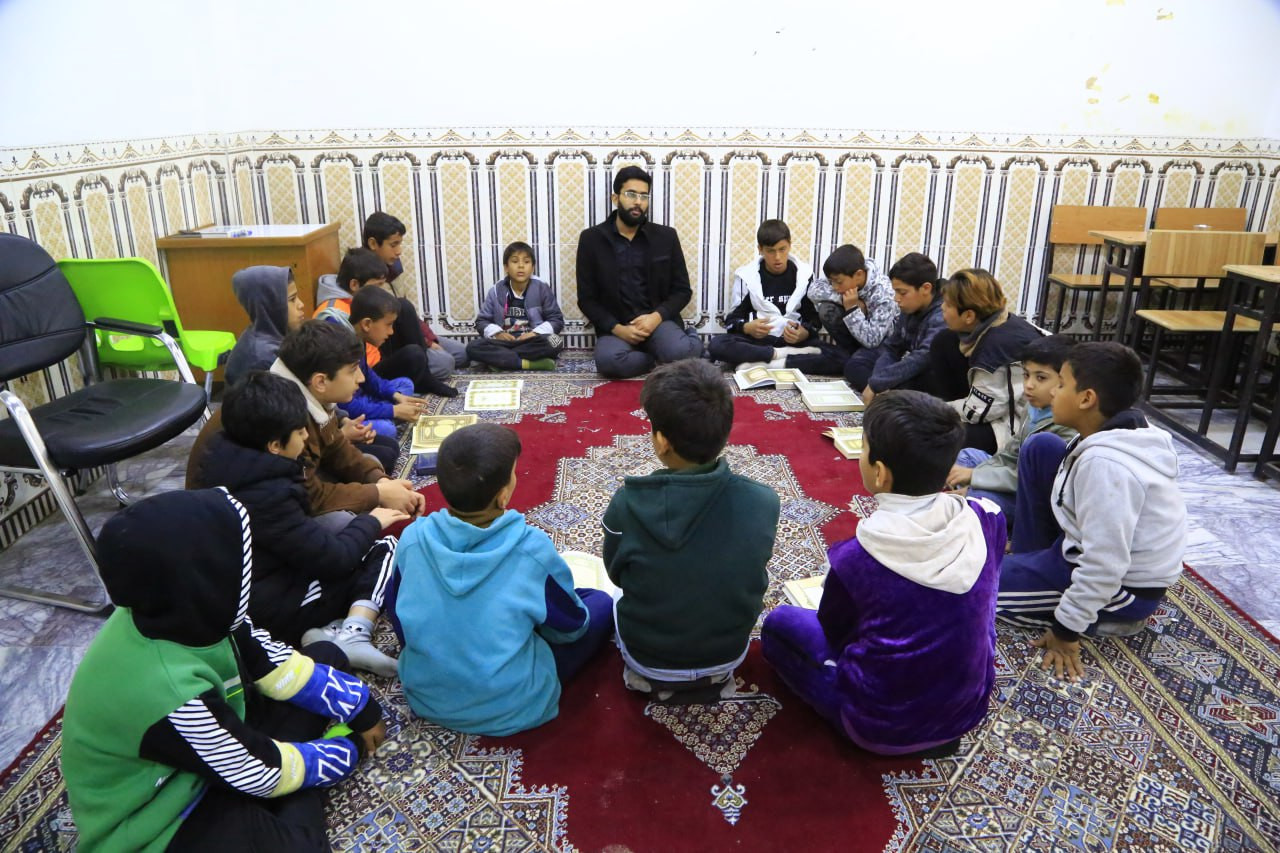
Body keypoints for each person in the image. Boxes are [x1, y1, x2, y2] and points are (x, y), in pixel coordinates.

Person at [61, 488, 387, 852]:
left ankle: (276, 784)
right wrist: (349, 748)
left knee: (327, 656)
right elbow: (260, 772)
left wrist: (361, 707)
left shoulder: (187, 609)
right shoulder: (165, 690)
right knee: (301, 844)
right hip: (164, 813)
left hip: (210, 745)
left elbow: (273, 664)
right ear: (204, 577)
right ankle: (284, 792)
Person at [762, 390, 1003, 756]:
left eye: (863, 448)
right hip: (966, 711)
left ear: (880, 472)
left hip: (879, 725)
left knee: (780, 623)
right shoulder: (988, 518)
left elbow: (838, 635)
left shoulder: (857, 559)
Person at [388, 423, 614, 735]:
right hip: (512, 703)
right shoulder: (531, 548)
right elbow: (572, 629)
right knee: (599, 604)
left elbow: (398, 617)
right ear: (503, 496)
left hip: (428, 696)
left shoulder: (412, 539)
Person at [194, 370, 408, 675]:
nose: (306, 436)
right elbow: (334, 559)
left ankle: (332, 630)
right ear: (274, 445)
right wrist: (373, 521)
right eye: (299, 432)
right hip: (273, 608)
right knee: (386, 548)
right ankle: (354, 634)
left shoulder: (226, 459)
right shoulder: (268, 493)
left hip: (255, 588)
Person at [997, 342, 1187, 681]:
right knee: (1041, 447)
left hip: (1124, 590)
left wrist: (1066, 630)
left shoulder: (1106, 465)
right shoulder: (1112, 430)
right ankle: (1032, 563)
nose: (1052, 392)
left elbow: (1105, 562)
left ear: (1086, 399)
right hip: (1075, 549)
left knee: (975, 588)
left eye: (1061, 384)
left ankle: (1102, 617)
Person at [604, 359, 780, 702]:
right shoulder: (764, 500)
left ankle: (644, 678)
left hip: (648, 658)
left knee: (608, 597)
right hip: (728, 655)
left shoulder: (626, 503)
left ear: (661, 441)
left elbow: (616, 574)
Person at [187, 320, 426, 520]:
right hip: (236, 520)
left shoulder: (307, 390)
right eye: (353, 369)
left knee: (370, 465)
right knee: (340, 522)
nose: (361, 378)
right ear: (320, 381)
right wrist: (378, 494)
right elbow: (309, 496)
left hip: (289, 486)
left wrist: (380, 481)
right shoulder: (283, 411)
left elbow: (336, 447)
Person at [576, 165, 703, 378]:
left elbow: (682, 291)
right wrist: (618, 329)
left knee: (680, 352)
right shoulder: (591, 239)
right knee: (608, 363)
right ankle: (656, 359)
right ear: (615, 198)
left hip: (658, 322)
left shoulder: (666, 237)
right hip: (617, 327)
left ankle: (682, 342)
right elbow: (586, 299)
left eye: (644, 196)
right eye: (631, 194)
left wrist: (655, 318)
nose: (638, 202)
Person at [946, 334, 1077, 522]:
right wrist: (974, 476)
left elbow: (1032, 480)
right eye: (1026, 375)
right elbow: (1010, 454)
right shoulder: (1033, 407)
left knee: (978, 499)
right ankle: (959, 498)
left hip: (1032, 499)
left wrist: (975, 477)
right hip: (1013, 479)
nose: (1028, 385)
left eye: (1041, 378)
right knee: (967, 456)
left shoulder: (1068, 423)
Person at [316, 246, 455, 398]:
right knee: (419, 358)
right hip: (366, 370)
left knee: (404, 307)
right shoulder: (334, 317)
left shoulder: (361, 300)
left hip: (375, 354)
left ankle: (424, 375)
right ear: (354, 285)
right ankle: (418, 378)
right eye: (377, 286)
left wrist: (428, 340)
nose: (381, 292)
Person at [931, 268, 1044, 454]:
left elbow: (980, 411)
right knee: (944, 341)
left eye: (948, 304)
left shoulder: (995, 347)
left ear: (969, 316)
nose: (942, 307)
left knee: (938, 437)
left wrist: (937, 409)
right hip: (994, 406)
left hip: (1016, 425)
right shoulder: (997, 322)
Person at [707, 219, 830, 370]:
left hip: (793, 342)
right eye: (771, 251)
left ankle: (767, 362)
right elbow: (732, 321)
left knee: (838, 357)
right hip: (757, 342)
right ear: (760, 249)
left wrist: (804, 333)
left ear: (790, 245)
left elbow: (814, 319)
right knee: (717, 345)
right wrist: (747, 328)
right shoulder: (747, 277)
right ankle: (778, 355)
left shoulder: (804, 275)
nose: (777, 257)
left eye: (782, 249)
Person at [362, 211, 469, 381]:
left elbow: (408, 314)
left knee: (462, 353)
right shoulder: (365, 276)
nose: (399, 251)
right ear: (373, 243)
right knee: (446, 363)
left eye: (400, 244)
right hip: (393, 345)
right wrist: (427, 344)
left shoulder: (393, 267)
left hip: (412, 337)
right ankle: (414, 372)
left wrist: (429, 339)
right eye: (393, 245)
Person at [843, 252, 947, 403]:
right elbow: (892, 348)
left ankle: (889, 396)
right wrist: (878, 381)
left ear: (925, 288)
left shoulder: (943, 313)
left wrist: (878, 383)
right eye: (895, 291)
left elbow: (923, 357)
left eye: (902, 292)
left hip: (932, 374)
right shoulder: (909, 307)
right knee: (855, 365)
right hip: (909, 362)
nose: (896, 298)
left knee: (908, 383)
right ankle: (886, 395)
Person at [344, 286, 430, 438]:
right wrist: (393, 410)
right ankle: (388, 415)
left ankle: (386, 412)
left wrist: (395, 396)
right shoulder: (341, 347)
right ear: (366, 324)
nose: (391, 332)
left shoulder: (358, 338)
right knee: (387, 429)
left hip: (364, 398)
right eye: (388, 325)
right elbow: (346, 406)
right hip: (350, 409)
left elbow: (368, 376)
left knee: (405, 384)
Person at [467, 241, 565, 371]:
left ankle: (501, 361)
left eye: (526, 262)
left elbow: (556, 320)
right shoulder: (496, 290)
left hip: (531, 341)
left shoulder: (541, 288)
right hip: (504, 342)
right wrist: (498, 333)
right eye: (514, 261)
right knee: (472, 347)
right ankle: (527, 363)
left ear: (533, 267)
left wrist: (534, 334)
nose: (521, 266)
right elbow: (481, 321)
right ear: (506, 267)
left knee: (555, 341)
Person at [805, 244, 899, 375]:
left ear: (858, 274)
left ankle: (852, 359)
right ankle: (848, 353)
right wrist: (845, 300)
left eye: (839, 282)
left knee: (855, 369)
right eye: (831, 282)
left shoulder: (884, 293)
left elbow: (872, 340)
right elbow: (812, 291)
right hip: (856, 337)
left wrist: (852, 309)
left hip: (882, 342)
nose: (834, 286)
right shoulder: (843, 271)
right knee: (827, 309)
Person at [223, 265, 306, 387]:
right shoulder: (264, 359)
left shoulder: (273, 334)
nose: (301, 304)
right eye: (292, 299)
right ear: (270, 305)